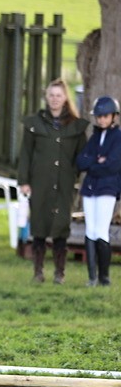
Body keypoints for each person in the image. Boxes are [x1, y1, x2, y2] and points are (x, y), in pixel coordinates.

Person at [18, 79, 89, 284]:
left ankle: (60, 272)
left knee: (61, 227)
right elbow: (26, 154)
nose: (55, 99)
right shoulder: (35, 124)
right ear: (46, 97)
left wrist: (73, 174)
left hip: (64, 184)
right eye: (51, 95)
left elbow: (82, 155)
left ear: (65, 98)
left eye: (58, 95)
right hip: (40, 183)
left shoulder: (75, 126)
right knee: (39, 226)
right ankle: (38, 271)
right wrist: (24, 180)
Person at [75, 95, 121, 286]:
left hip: (107, 188)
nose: (101, 120)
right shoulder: (94, 137)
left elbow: (112, 165)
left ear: (114, 116)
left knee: (101, 231)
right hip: (90, 188)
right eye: (99, 116)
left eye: (105, 116)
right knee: (90, 231)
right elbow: (81, 161)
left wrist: (92, 163)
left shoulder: (118, 137)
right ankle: (92, 277)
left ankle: (104, 277)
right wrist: (97, 161)